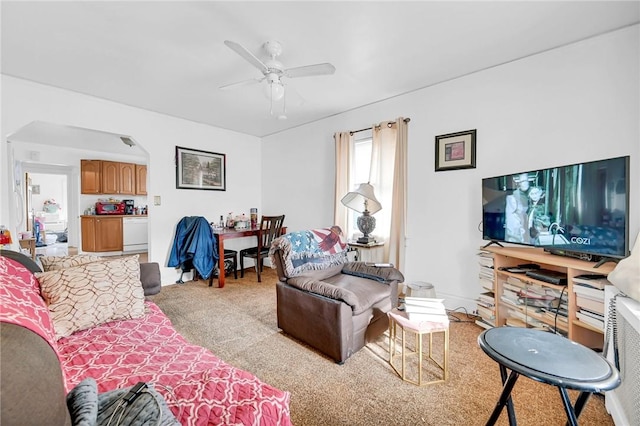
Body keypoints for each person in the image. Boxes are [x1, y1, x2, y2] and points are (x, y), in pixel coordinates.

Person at [504, 173, 532, 243]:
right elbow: (511, 218)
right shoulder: (513, 197)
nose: (524, 183)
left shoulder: (532, 193)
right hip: (517, 233)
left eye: (526, 181)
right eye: (522, 181)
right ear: (519, 183)